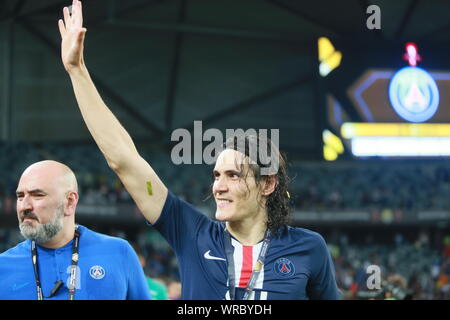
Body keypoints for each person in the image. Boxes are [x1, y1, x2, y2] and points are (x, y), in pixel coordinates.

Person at [58, 0, 340, 299]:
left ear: (267, 183)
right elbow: (123, 160)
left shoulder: (309, 248)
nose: (218, 186)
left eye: (233, 175)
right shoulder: (191, 233)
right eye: (217, 175)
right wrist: (77, 71)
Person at [0, 160, 152, 300]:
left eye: (37, 195)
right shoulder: (3, 266)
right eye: (20, 196)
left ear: (70, 202)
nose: (24, 206)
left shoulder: (119, 253)